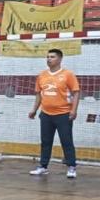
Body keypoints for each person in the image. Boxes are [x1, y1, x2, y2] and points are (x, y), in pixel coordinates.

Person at [28, 48, 81, 179]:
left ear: (60, 59)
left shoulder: (68, 74)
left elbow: (76, 92)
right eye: (47, 57)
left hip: (63, 114)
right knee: (45, 141)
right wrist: (34, 110)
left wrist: (74, 110)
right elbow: (38, 94)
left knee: (66, 141)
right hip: (46, 114)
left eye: (52, 57)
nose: (49, 59)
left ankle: (71, 166)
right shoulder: (42, 75)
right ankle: (43, 166)